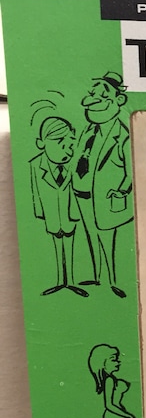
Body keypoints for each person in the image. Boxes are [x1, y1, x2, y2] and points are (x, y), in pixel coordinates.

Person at [72, 71, 133, 297]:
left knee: (108, 238)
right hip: (82, 193)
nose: (94, 103)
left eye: (103, 97)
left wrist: (121, 191)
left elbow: (130, 169)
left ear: (119, 100)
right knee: (90, 235)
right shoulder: (88, 130)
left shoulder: (122, 135)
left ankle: (113, 281)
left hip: (105, 197)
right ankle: (97, 276)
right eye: (93, 96)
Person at [30, 116, 87, 297]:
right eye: (59, 141)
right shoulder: (35, 165)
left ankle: (70, 281)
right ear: (41, 143)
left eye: (69, 142)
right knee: (56, 245)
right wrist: (40, 213)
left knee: (70, 244)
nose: (66, 148)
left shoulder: (75, 164)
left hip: (70, 214)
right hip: (52, 214)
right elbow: (35, 191)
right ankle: (60, 281)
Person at [75, 343, 142, 418]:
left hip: (115, 413)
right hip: (113, 413)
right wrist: (127, 415)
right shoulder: (109, 380)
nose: (118, 362)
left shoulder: (111, 379)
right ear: (103, 363)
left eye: (117, 359)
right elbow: (109, 405)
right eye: (113, 360)